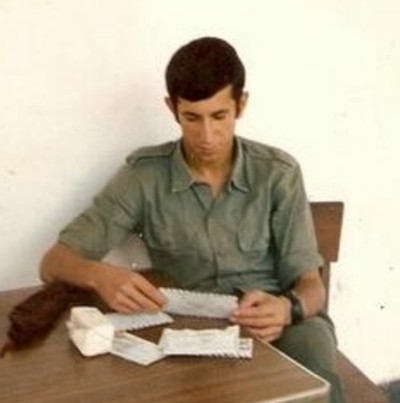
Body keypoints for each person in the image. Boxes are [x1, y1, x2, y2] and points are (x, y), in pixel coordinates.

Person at [40, 37, 345, 402]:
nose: (207, 136)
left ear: (241, 104)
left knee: (317, 387)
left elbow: (311, 287)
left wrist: (286, 309)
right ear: (172, 108)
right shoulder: (143, 177)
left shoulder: (278, 173)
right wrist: (102, 276)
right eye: (191, 118)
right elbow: (53, 263)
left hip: (281, 322)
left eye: (219, 116)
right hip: (195, 330)